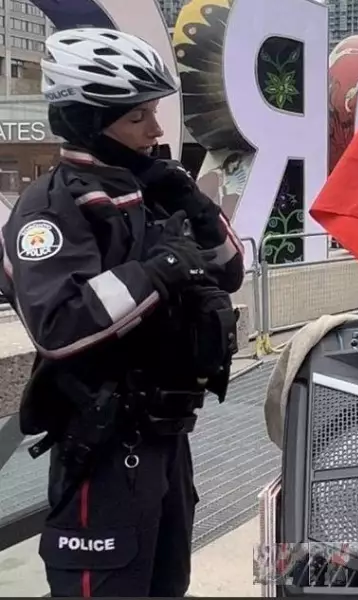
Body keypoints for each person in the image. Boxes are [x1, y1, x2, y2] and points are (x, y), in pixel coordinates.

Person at [0, 28, 245, 597]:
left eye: (155, 114)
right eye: (139, 118)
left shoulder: (151, 189)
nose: (157, 131)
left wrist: (195, 205)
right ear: (89, 120)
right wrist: (155, 270)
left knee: (166, 585)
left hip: (166, 440)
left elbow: (228, 272)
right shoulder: (53, 205)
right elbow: (57, 326)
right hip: (106, 447)